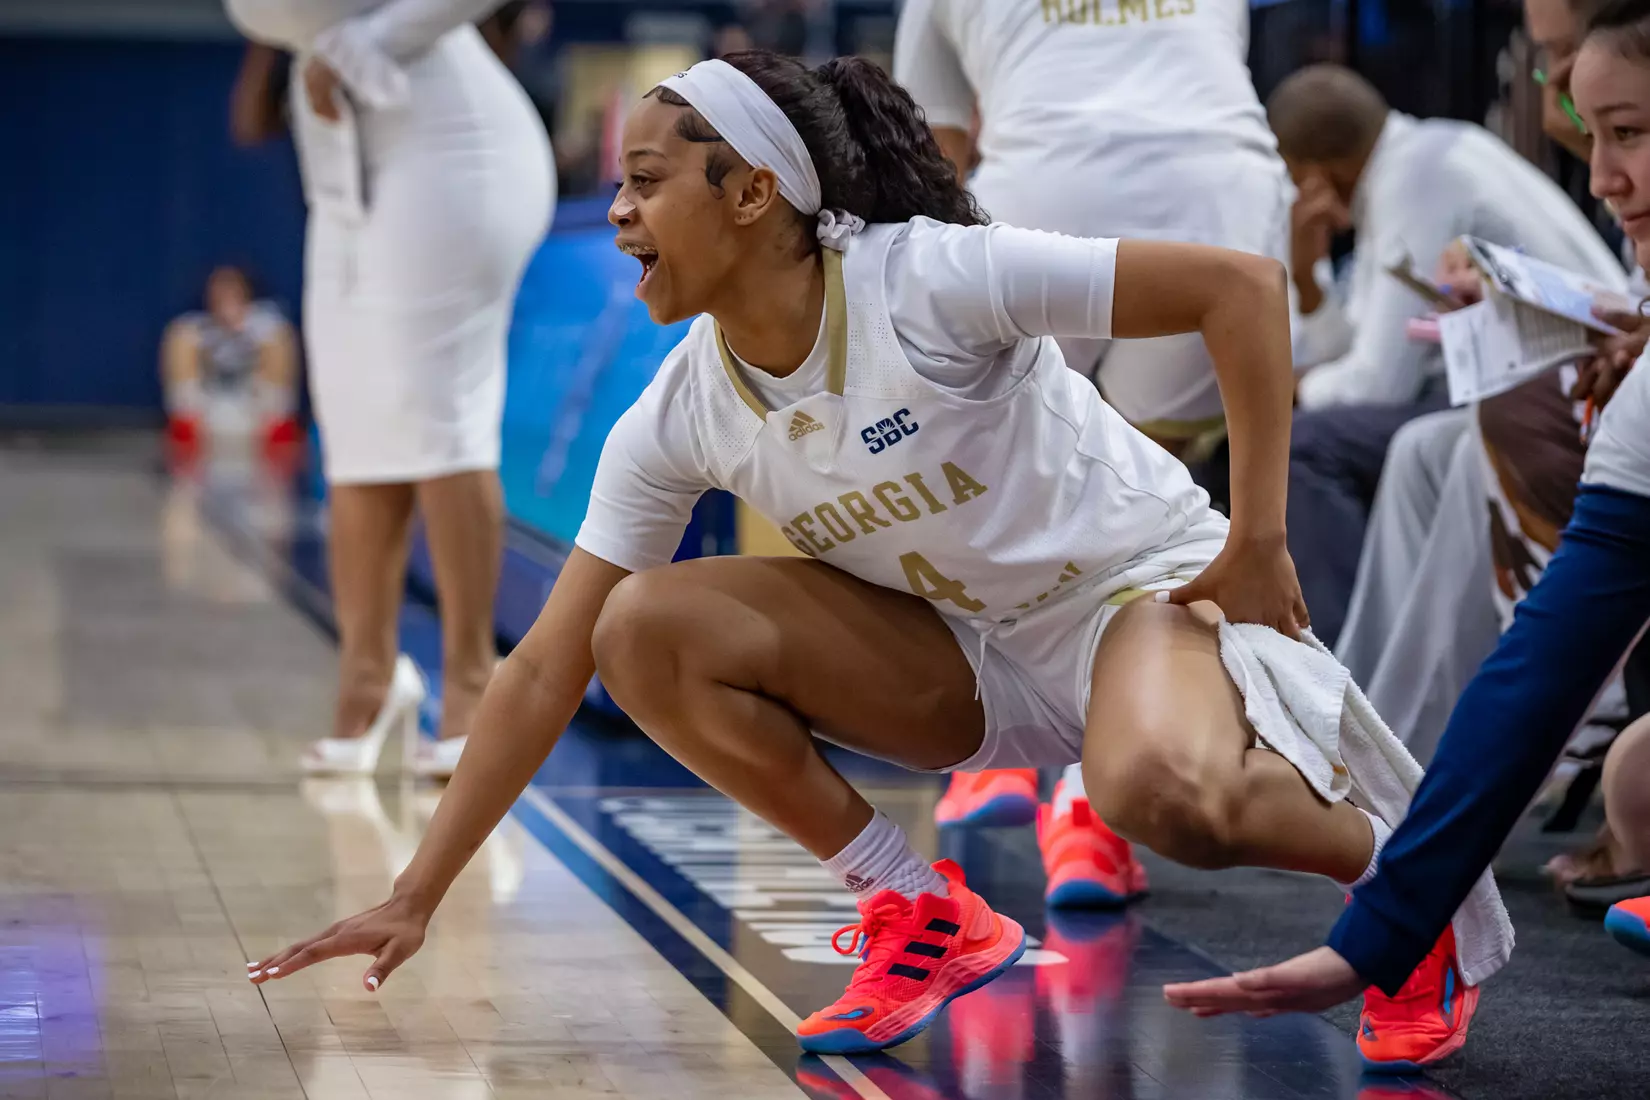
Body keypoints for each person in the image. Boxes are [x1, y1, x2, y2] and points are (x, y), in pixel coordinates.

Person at [242, 51, 1491, 1070]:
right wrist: (416, 890)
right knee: (637, 629)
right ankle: (923, 907)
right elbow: (538, 673)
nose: (617, 209)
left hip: (1131, 592)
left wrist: (1257, 535)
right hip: (962, 649)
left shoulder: (931, 280)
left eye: (645, 180)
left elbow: (1240, 286)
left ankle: (1405, 886)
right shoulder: (681, 406)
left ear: (751, 194)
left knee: (1164, 796)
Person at [1162, 0, 1650, 1020]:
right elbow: (1548, 655)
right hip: (1549, 411)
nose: (1599, 174)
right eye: (1590, 122)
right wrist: (1387, 925)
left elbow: (1361, 371)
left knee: (1331, 444)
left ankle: (1340, 728)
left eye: (1629, 133)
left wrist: (1261, 394)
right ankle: (1370, 746)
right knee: (1637, 774)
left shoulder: (1429, 171)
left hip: (1537, 403)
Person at [891, 0, 1294, 900]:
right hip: (1212, 188)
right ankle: (1085, 814)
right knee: (1150, 508)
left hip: (1038, 187)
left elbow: (932, 153)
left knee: (1002, 473)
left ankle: (994, 748)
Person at [224, 0, 554, 778]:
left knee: (440, 413)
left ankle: (475, 684)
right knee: (353, 424)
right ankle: (365, 686)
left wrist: (371, 42)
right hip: (341, 143)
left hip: (449, 142)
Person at [1272, 63, 1626, 647]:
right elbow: (1365, 354)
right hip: (1538, 382)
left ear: (1312, 175)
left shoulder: (1417, 179)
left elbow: (1375, 385)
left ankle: (1321, 668)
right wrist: (1308, 285)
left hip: (1568, 393)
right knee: (1319, 432)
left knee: (1306, 446)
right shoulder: (1423, 156)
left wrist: (1288, 389)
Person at [161, 266, 299, 465]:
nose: (224, 296)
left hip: (256, 415)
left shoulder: (268, 326)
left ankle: (276, 423)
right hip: (206, 416)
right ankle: (186, 421)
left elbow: (275, 343)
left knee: (280, 342)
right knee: (179, 338)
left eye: (231, 289)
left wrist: (241, 333)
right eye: (219, 291)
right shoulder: (193, 327)